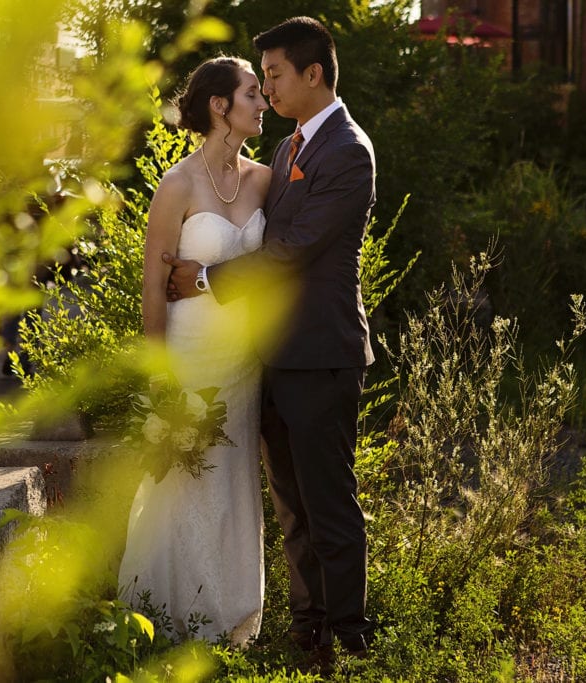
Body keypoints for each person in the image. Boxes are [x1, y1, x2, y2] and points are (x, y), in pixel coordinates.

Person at [164, 17, 377, 663]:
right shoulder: (288, 150)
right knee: (291, 506)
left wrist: (202, 276)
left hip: (323, 355)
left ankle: (349, 637)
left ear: (314, 74)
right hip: (274, 359)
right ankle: (308, 627)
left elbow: (291, 251)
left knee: (329, 505)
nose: (271, 89)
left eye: (277, 75)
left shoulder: (347, 150)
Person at [118, 56, 271, 645]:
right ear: (220, 107)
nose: (262, 103)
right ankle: (167, 614)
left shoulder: (264, 180)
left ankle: (232, 615)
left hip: (243, 362)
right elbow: (153, 288)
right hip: (188, 355)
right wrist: (158, 377)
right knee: (180, 482)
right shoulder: (176, 185)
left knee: (234, 480)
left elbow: (276, 265)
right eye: (252, 93)